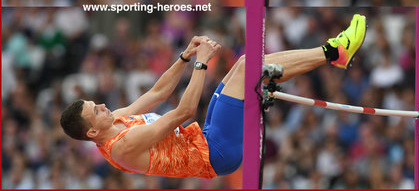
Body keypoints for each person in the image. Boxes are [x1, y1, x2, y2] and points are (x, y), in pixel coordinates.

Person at [60, 14, 366, 178]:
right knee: (248, 70)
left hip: (206, 139)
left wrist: (184, 55)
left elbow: (157, 92)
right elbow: (184, 111)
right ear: (92, 132)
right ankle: (333, 52)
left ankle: (333, 52)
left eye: (95, 103)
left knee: (248, 64)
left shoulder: (114, 121)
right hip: (215, 154)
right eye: (95, 110)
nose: (102, 105)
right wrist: (202, 62)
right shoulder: (122, 146)